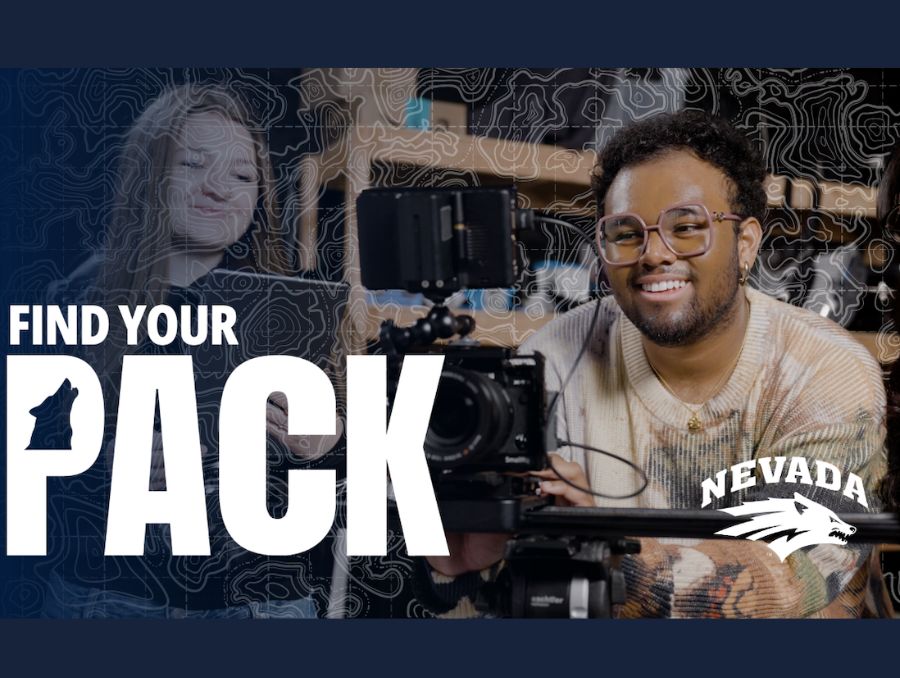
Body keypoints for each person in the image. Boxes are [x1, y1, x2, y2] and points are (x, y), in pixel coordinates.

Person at [424, 110, 889, 618]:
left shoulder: (825, 370)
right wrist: (465, 566)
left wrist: (603, 545)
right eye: (625, 234)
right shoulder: (553, 356)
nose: (653, 254)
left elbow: (788, 577)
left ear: (747, 244)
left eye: (687, 227)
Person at [40, 83, 344, 617]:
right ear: (150, 174)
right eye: (193, 164)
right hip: (113, 602)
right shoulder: (75, 300)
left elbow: (350, 483)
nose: (218, 188)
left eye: (241, 176)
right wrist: (100, 462)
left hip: (262, 607)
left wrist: (330, 441)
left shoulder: (299, 307)